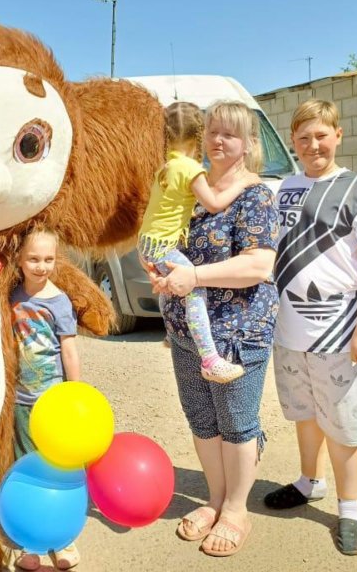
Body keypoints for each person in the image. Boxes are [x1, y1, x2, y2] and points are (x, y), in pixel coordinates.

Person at [150, 100, 279, 558]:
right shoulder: (195, 189)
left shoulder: (254, 195)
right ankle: (215, 499)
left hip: (238, 330)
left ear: (247, 144)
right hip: (189, 332)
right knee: (203, 421)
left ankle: (237, 510)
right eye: (212, 132)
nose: (217, 140)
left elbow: (259, 265)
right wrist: (166, 278)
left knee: (236, 424)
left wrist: (194, 278)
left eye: (229, 134)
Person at [264, 99, 357, 556]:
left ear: (337, 135)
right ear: (293, 142)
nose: (312, 145)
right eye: (303, 137)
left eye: (321, 135)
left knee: (344, 426)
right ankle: (308, 482)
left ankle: (350, 508)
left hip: (340, 332)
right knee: (304, 415)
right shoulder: (283, 189)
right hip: (289, 331)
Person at [138, 102, 248, 383]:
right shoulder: (190, 168)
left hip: (148, 242)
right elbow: (212, 204)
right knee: (193, 288)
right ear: (199, 135)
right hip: (162, 245)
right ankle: (210, 359)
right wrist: (243, 183)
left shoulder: (166, 167)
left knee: (169, 285)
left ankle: (169, 332)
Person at [11, 228, 81, 572]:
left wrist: (76, 392)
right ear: (20, 260)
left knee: (58, 465)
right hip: (21, 400)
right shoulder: (12, 297)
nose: (41, 266)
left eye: (49, 259)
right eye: (34, 259)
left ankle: (63, 535)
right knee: (25, 466)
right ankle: (27, 539)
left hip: (53, 400)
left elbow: (68, 348)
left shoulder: (59, 301)